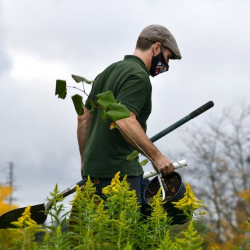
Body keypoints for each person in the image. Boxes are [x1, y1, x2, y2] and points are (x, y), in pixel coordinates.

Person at [77, 24, 182, 205]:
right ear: (156, 47)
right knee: (128, 230)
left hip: (94, 175)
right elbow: (124, 120)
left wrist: (85, 162)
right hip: (120, 176)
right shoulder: (138, 76)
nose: (166, 65)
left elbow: (84, 118)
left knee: (99, 232)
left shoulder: (107, 72)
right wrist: (157, 157)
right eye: (168, 57)